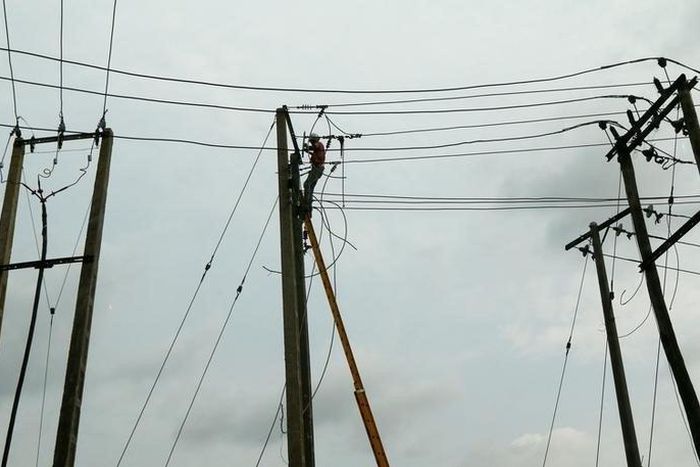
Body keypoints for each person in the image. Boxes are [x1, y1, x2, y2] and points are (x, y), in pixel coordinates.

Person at [302, 133, 325, 215]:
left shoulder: (319, 144)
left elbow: (315, 146)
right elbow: (315, 152)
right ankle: (309, 208)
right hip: (317, 168)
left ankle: (306, 205)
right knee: (310, 187)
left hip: (317, 169)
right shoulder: (318, 148)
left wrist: (307, 147)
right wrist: (307, 150)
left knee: (307, 184)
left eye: (312, 141)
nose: (311, 143)